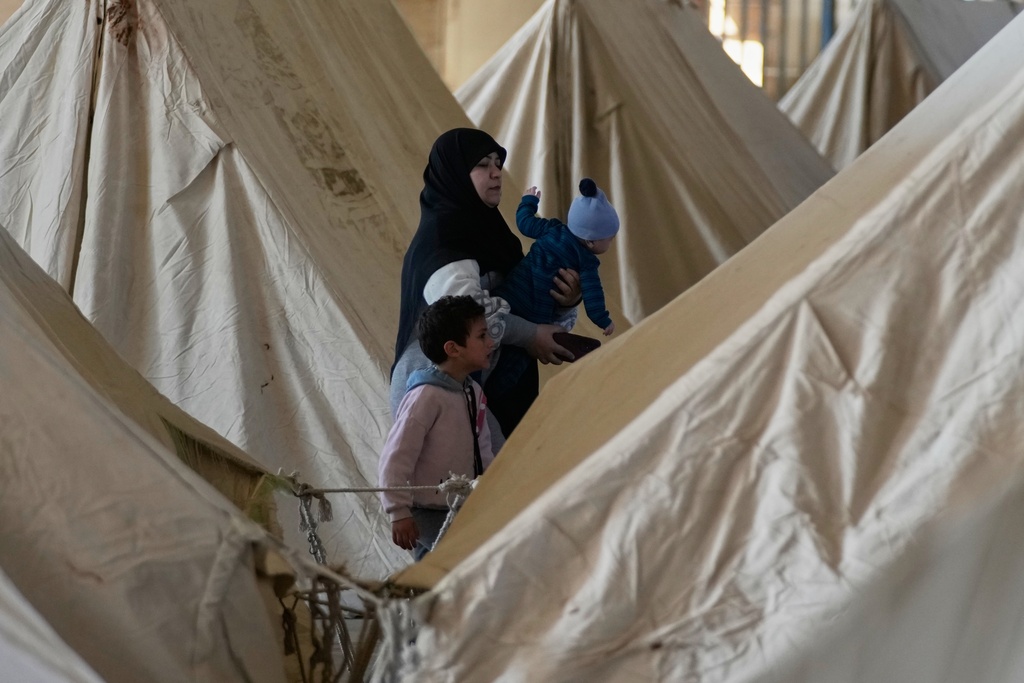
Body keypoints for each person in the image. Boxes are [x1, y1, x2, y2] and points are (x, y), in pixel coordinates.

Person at [391, 128, 582, 439]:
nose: (496, 173)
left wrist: (564, 301)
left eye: (498, 163)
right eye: (482, 164)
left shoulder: (495, 236)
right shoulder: (440, 240)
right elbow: (472, 314)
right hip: (439, 391)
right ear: (454, 173)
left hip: (493, 387)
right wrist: (532, 334)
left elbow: (522, 298)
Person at [379, 295, 495, 560]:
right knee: (443, 570)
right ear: (453, 348)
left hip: (462, 507)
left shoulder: (473, 391)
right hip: (427, 511)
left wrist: (490, 488)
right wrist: (398, 511)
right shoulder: (425, 397)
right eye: (482, 336)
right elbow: (395, 457)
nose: (491, 342)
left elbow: (483, 448)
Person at [497, 178, 618, 335]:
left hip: (509, 293)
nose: (611, 243)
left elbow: (524, 223)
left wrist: (529, 202)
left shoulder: (552, 228)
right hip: (536, 314)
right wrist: (603, 320)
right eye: (610, 238)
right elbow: (593, 298)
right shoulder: (586, 262)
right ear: (590, 242)